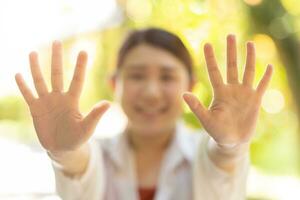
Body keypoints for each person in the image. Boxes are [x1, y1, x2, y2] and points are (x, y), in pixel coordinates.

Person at [15, 28, 273, 200]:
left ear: (191, 85)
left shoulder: (204, 151)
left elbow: (223, 162)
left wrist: (231, 145)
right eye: (137, 76)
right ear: (115, 85)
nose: (151, 92)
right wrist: (63, 152)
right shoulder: (97, 153)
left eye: (167, 76)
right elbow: (78, 165)